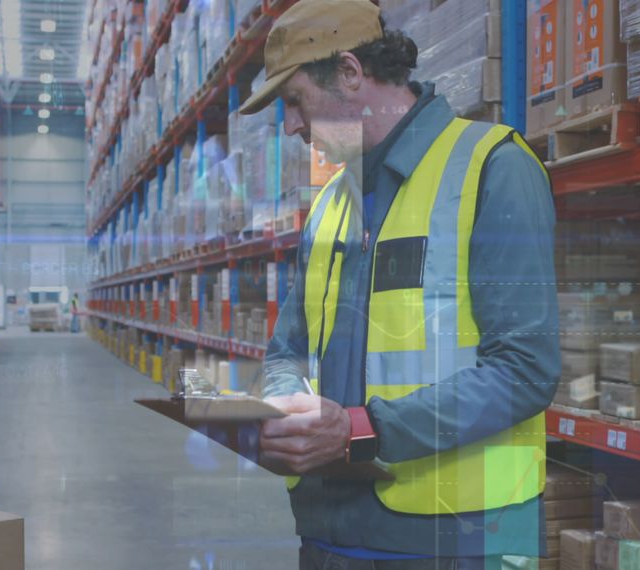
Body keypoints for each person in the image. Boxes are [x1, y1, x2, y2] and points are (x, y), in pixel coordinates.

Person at [241, 0, 561, 567]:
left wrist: (361, 431)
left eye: (295, 102)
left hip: (454, 540)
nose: (289, 126)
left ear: (349, 72)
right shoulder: (327, 209)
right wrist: (281, 408)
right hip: (326, 534)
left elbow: (525, 369)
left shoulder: (493, 168)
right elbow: (288, 349)